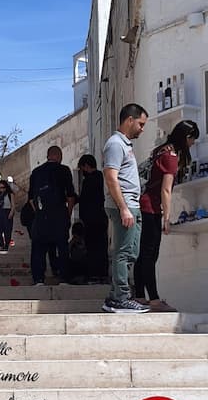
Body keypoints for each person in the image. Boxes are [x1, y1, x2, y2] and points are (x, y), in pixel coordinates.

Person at [134, 119, 199, 311]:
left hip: (143, 204)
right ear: (186, 137)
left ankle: (140, 295)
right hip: (151, 208)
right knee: (150, 254)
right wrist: (167, 217)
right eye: (192, 139)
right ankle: (153, 298)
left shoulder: (160, 150)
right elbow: (166, 190)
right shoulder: (171, 157)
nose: (193, 144)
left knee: (143, 254)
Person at [102, 103, 149, 313]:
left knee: (131, 252)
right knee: (123, 252)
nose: (142, 128)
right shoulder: (115, 144)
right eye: (140, 123)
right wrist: (123, 208)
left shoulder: (125, 145)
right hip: (124, 206)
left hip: (132, 205)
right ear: (129, 120)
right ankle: (121, 297)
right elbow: (111, 178)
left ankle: (114, 297)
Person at [27, 145, 76, 285]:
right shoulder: (64, 170)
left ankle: (38, 279)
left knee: (38, 248)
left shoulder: (36, 172)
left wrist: (39, 212)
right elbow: (70, 196)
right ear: (58, 156)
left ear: (48, 156)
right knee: (62, 246)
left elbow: (30, 198)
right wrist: (68, 213)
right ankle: (64, 277)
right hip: (59, 213)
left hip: (42, 215)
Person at [76, 153, 107, 283]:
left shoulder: (89, 180)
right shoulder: (101, 177)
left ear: (86, 166)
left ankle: (94, 274)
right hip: (100, 217)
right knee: (101, 246)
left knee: (92, 247)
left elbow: (85, 200)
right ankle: (102, 274)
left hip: (91, 219)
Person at [0, 176, 16, 250]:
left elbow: (13, 205)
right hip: (0, 212)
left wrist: (11, 213)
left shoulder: (10, 194)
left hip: (7, 211)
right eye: (0, 188)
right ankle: (1, 245)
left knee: (7, 231)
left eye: (3, 187)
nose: (2, 189)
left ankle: (6, 245)